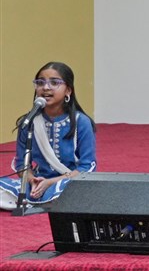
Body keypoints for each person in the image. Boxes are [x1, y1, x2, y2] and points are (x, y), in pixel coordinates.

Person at [1, 62, 96, 210]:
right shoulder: (29, 121)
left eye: (54, 82)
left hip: (70, 181)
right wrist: (32, 180)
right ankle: (41, 199)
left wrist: (50, 183)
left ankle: (42, 200)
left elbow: (87, 167)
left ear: (68, 90)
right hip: (38, 182)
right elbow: (22, 164)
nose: (46, 87)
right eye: (40, 82)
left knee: (74, 192)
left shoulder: (81, 122)